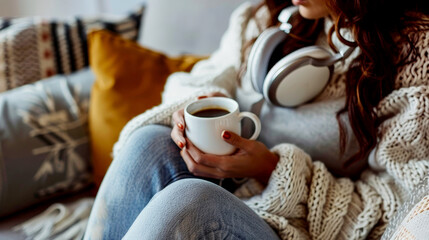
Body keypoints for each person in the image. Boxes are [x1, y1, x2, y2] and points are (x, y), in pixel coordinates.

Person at [84, 0, 429, 239]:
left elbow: (395, 210)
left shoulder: (415, 53)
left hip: (295, 230)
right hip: (231, 195)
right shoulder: (264, 18)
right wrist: (193, 108)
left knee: (192, 202)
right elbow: (205, 75)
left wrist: (270, 169)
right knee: (150, 144)